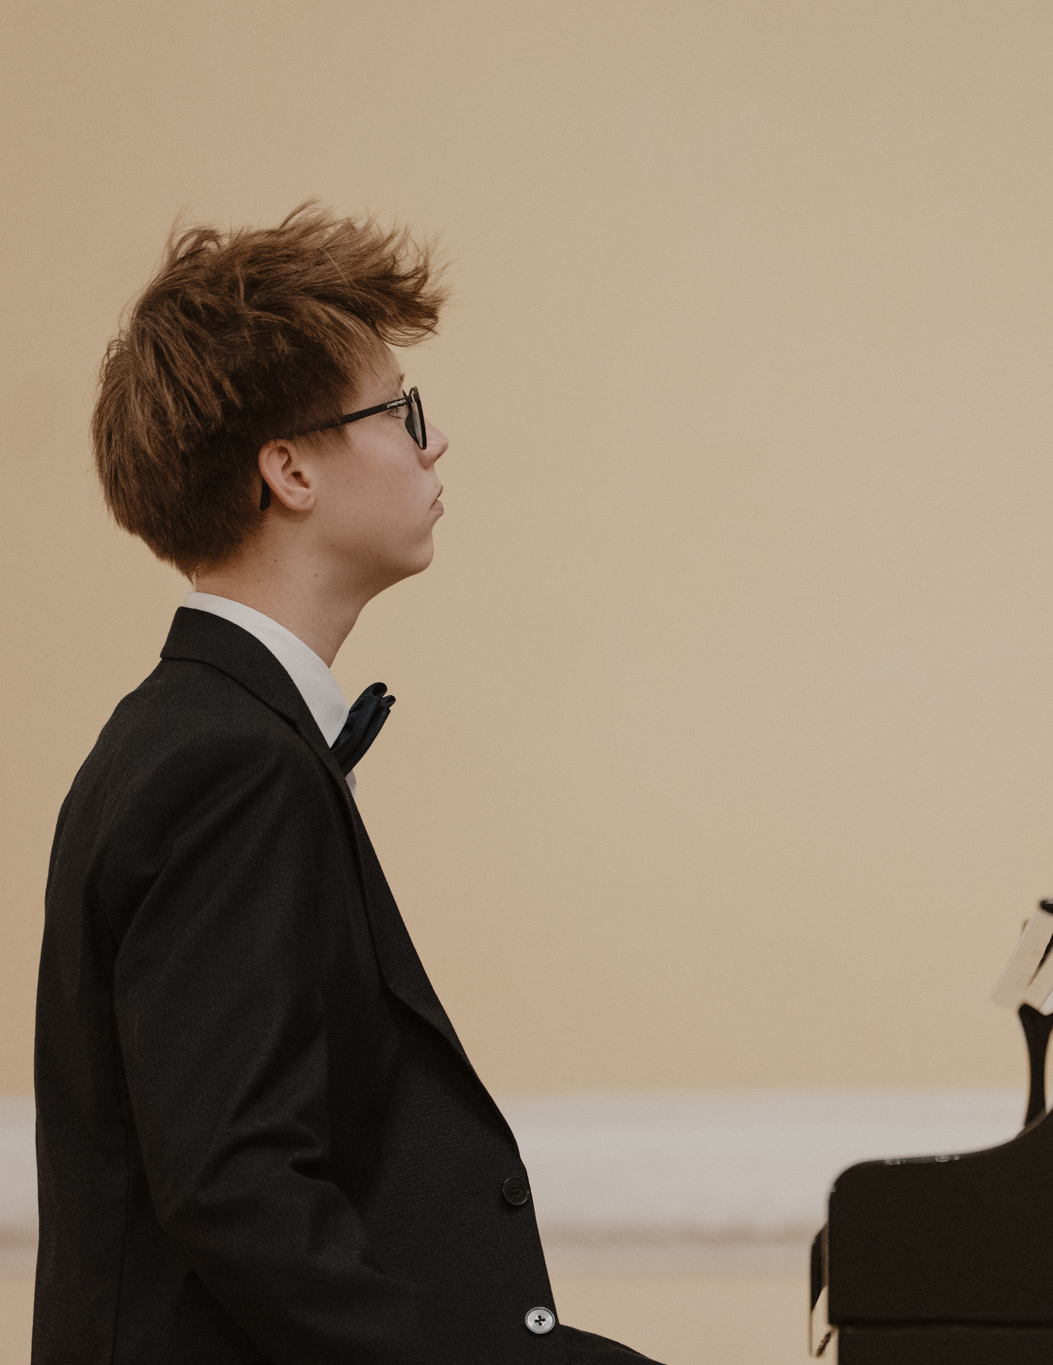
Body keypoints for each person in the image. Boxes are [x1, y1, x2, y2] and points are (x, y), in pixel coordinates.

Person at [34, 205, 660, 1363]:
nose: (433, 443)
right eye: (399, 411)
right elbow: (239, 1191)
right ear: (290, 470)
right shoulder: (227, 764)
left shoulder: (187, 735)